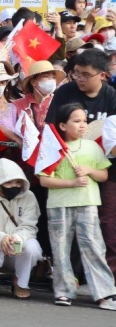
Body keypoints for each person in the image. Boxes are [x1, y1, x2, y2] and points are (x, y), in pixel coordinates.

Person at [39, 103, 116, 309]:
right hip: (59, 204)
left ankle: (105, 293)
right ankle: (64, 291)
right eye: (77, 121)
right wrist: (71, 183)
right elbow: (45, 180)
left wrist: (89, 170)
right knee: (61, 249)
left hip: (88, 203)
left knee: (93, 247)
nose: (83, 125)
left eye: (84, 121)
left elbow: (104, 174)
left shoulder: (92, 147)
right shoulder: (52, 148)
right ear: (63, 125)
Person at [0, 159, 41, 299]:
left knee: (33, 248)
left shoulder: (29, 197)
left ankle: (20, 282)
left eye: (18, 182)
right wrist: (1, 238)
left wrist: (17, 239)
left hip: (18, 247)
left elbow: (29, 226)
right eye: (8, 182)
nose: (14, 186)